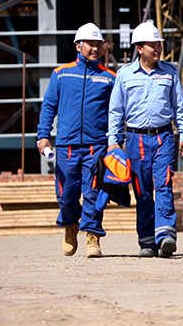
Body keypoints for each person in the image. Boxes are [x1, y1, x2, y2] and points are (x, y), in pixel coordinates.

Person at [107, 21, 183, 258]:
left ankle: (166, 236)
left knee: (164, 185)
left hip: (163, 136)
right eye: (152, 45)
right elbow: (116, 111)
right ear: (139, 48)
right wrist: (114, 141)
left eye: (159, 45)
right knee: (142, 191)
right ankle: (147, 241)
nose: (157, 49)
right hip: (135, 140)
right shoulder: (124, 75)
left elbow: (179, 106)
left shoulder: (170, 72)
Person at [37, 22, 116, 257]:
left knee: (93, 193)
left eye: (98, 44)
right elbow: (49, 106)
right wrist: (43, 136)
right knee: (66, 194)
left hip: (96, 146)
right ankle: (70, 225)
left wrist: (115, 142)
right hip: (67, 147)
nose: (95, 48)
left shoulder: (109, 78)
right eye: (91, 44)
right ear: (78, 45)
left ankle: (93, 237)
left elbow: (116, 112)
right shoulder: (61, 74)